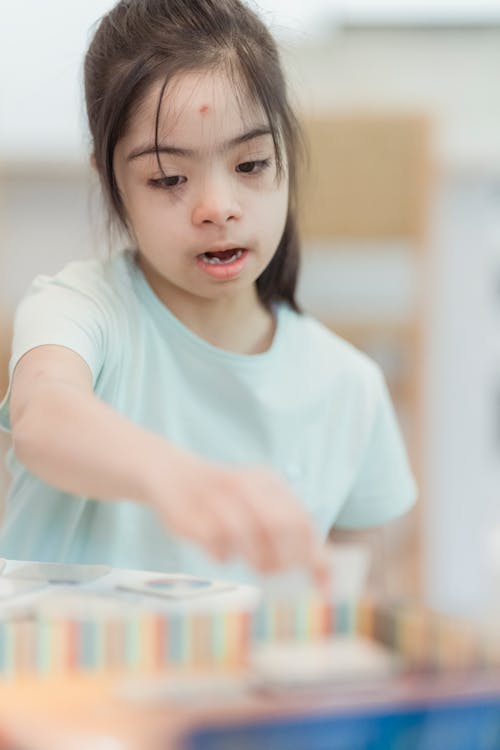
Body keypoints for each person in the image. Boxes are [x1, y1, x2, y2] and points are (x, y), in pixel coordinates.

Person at [0, 0, 416, 588]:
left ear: (287, 158)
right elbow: (43, 415)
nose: (217, 206)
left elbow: (365, 578)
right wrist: (174, 476)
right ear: (110, 182)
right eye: (169, 178)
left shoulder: (349, 387)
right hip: (57, 676)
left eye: (251, 164)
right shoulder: (79, 310)